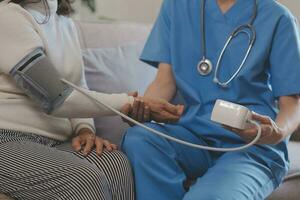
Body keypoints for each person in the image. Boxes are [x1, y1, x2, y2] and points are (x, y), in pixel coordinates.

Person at [0, 0, 183, 199]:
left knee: (116, 164)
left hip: (53, 142)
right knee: (84, 180)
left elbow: (79, 87)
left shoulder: (64, 23)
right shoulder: (7, 17)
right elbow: (55, 97)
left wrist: (84, 130)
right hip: (7, 139)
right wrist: (127, 104)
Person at [121, 0, 300, 199]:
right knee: (141, 138)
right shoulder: (176, 6)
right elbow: (165, 81)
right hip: (191, 136)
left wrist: (277, 133)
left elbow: (293, 104)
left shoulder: (277, 17)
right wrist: (142, 107)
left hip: (252, 146)